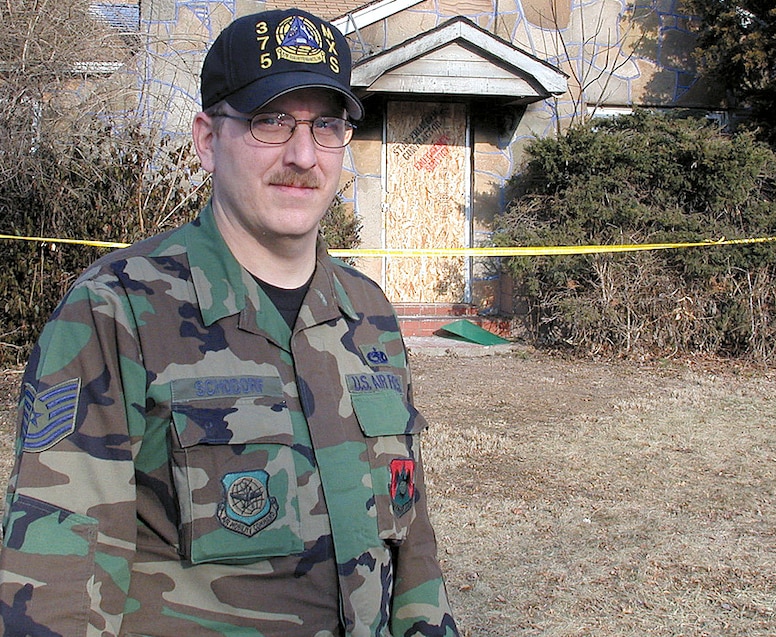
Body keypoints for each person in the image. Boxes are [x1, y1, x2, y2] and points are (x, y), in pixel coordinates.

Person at [0, 8, 460, 636]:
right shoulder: (118, 310)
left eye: (326, 124)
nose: (303, 155)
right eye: (270, 122)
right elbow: (54, 585)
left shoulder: (369, 313)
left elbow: (411, 555)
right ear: (208, 139)